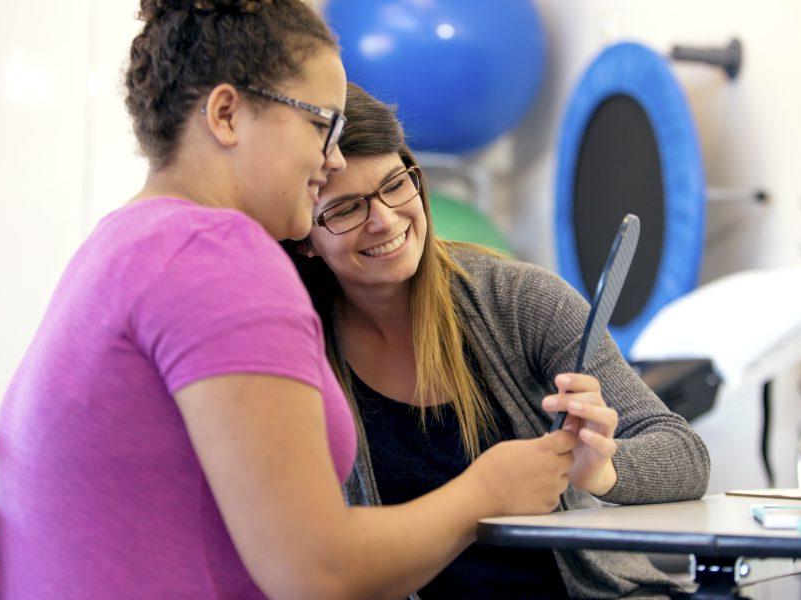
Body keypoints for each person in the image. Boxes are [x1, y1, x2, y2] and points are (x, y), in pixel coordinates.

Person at [0, 2, 580, 599]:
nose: (334, 158)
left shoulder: (125, 242)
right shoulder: (214, 253)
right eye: (321, 124)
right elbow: (318, 574)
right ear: (226, 115)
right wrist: (485, 492)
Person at [289, 83, 712, 599]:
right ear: (304, 236)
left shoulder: (518, 300)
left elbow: (685, 457)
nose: (384, 219)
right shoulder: (294, 347)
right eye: (346, 209)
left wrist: (602, 467)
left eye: (395, 184)